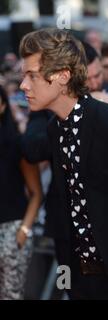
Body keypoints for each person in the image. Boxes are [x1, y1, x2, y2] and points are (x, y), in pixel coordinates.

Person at [19, 28, 108, 299]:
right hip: (75, 274)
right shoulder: (54, 128)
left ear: (63, 76)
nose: (23, 86)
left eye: (32, 76)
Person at [0, 85, 42, 299]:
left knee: (10, 294)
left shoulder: (17, 145)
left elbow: (36, 192)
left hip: (12, 229)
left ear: (3, 106)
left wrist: (24, 230)